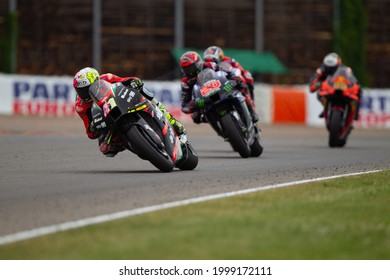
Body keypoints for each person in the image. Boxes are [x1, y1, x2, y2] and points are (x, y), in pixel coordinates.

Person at [73, 67, 186, 157]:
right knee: (105, 149)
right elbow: (89, 131)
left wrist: (133, 82)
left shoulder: (106, 78)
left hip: (122, 102)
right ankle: (129, 143)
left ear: (95, 82)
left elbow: (125, 80)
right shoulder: (80, 106)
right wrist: (93, 127)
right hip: (106, 119)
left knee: (141, 89)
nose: (84, 94)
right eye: (80, 91)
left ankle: (170, 119)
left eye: (87, 89)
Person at [180, 50, 258, 123]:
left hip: (219, 88)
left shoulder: (209, 64)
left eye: (191, 67)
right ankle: (220, 128)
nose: (190, 71)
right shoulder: (185, 81)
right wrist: (189, 107)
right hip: (203, 99)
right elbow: (185, 102)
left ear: (199, 63)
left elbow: (224, 70)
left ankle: (251, 110)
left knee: (240, 86)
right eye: (186, 69)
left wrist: (232, 77)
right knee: (196, 118)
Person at [203, 46, 258, 123]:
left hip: (230, 80)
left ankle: (252, 108)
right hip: (219, 86)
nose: (211, 63)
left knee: (248, 77)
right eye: (208, 60)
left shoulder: (229, 60)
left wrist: (239, 77)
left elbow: (239, 69)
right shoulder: (206, 67)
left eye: (213, 60)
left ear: (219, 57)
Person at [309, 52, 362, 120]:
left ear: (338, 64)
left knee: (359, 91)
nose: (330, 69)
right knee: (319, 93)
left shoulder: (346, 69)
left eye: (333, 67)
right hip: (328, 88)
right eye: (328, 67)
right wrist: (317, 84)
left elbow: (353, 79)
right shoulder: (321, 70)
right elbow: (313, 83)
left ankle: (356, 112)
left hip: (341, 87)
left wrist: (355, 85)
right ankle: (325, 107)